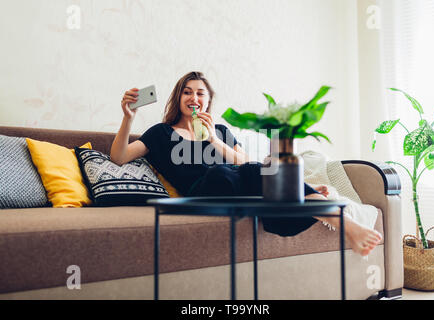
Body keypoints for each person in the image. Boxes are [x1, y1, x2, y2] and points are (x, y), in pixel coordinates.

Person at [110, 71, 382, 256]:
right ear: (178, 98)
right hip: (202, 192)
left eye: (201, 94)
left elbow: (248, 164)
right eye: (187, 92)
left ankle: (338, 218)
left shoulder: (222, 131)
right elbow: (119, 157)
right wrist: (128, 118)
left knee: (259, 178)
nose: (194, 98)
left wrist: (215, 141)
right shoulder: (160, 132)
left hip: (237, 183)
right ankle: (306, 195)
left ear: (208, 100)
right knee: (222, 172)